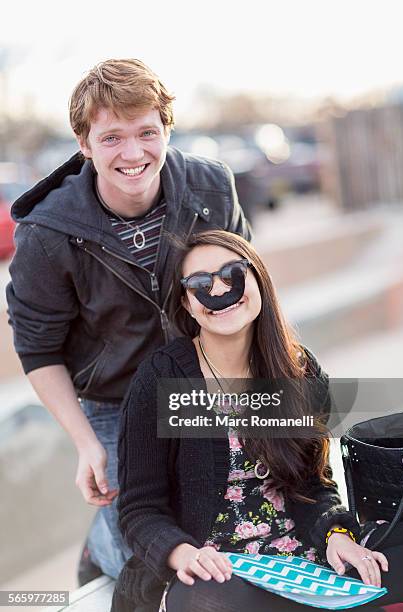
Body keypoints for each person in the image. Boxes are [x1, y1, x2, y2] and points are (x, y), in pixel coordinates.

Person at [6, 59, 251, 582]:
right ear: (84, 143)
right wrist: (85, 443)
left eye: (146, 132)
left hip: (202, 379)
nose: (134, 153)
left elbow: (246, 289)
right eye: (112, 137)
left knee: (227, 529)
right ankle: (100, 548)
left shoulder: (212, 189)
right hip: (113, 399)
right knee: (146, 559)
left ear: (166, 129)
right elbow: (37, 348)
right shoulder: (47, 233)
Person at [111, 230, 403, 612]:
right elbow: (139, 509)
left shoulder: (298, 369)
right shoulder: (162, 378)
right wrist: (181, 553)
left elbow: (313, 485)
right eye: (200, 283)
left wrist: (337, 534)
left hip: (302, 555)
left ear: (258, 280)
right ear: (186, 303)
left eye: (232, 274)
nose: (218, 290)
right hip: (216, 570)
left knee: (386, 563)